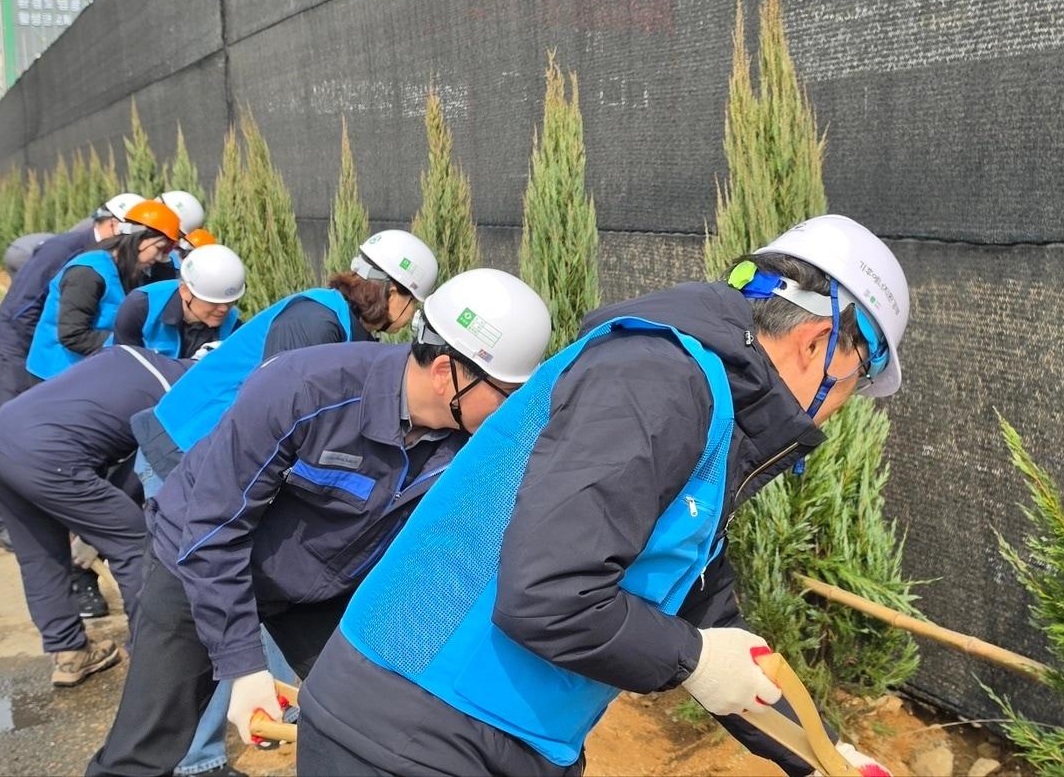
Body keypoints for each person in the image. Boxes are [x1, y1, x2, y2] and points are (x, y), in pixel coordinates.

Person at [297, 215, 906, 776]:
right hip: (406, 733)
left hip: (493, 735)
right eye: (857, 383)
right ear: (818, 343)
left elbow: (699, 608)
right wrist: (690, 658)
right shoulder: (656, 382)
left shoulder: (712, 411)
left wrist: (824, 753)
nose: (838, 410)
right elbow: (548, 596)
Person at [86, 269, 553, 776]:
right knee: (148, 745)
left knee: (362, 714)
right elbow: (214, 529)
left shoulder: (470, 443)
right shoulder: (306, 391)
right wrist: (243, 666)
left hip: (318, 586)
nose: (515, 411)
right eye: (508, 393)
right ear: (446, 372)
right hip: (198, 561)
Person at [129, 229, 439, 488]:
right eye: (413, 303)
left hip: (202, 449)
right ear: (392, 292)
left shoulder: (340, 325)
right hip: (182, 444)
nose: (411, 315)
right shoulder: (315, 321)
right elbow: (276, 413)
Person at [0, 345, 193, 688]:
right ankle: (153, 662)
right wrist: (98, 530)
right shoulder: (177, 398)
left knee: (40, 555)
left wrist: (92, 531)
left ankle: (69, 653)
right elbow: (141, 474)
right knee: (138, 545)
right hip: (50, 458)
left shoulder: (127, 354)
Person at [0, 191, 143, 599]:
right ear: (110, 225)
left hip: (64, 358)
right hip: (19, 345)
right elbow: (24, 306)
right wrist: (28, 363)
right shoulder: (69, 252)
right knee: (16, 432)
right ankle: (6, 521)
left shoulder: (117, 262)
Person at [24, 199, 182, 382]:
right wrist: (132, 345)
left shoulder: (134, 271)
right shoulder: (88, 273)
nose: (161, 258)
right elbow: (73, 335)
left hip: (93, 372)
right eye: (160, 249)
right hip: (55, 375)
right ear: (138, 239)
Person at [112, 244, 246, 359]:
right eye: (213, 302)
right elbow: (123, 365)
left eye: (230, 301)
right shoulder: (141, 307)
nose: (224, 309)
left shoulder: (233, 328)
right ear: (185, 291)